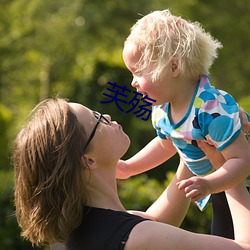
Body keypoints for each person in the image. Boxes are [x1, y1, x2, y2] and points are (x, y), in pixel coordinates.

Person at [13, 98, 250, 250]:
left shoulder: (72, 234)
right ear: (88, 160)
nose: (106, 116)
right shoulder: (138, 238)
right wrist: (226, 165)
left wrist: (190, 137)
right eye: (97, 120)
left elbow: (156, 221)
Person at [118, 9, 250, 239]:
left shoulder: (211, 109)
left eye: (138, 72)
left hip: (239, 186)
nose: (133, 83)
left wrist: (209, 183)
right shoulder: (161, 109)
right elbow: (166, 145)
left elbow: (242, 160)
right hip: (220, 189)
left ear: (173, 67)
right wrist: (130, 167)